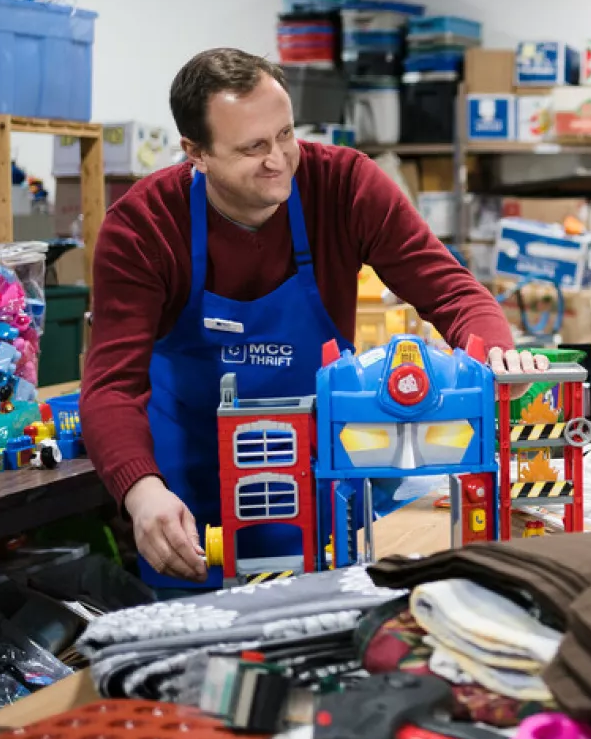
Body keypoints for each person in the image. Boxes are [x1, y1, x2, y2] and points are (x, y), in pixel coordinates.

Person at [81, 48, 546, 591]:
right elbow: (111, 387)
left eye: (285, 135)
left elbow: (454, 293)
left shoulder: (343, 185)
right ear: (196, 153)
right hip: (190, 498)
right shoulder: (144, 227)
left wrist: (494, 353)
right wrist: (143, 493)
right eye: (253, 147)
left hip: (326, 481)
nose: (278, 159)